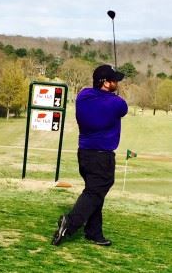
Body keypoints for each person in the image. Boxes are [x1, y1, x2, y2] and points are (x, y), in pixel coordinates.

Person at [52, 64, 128, 246]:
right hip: (102, 157)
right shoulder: (116, 103)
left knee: (95, 192)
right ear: (106, 83)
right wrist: (113, 96)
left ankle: (94, 232)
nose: (117, 82)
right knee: (95, 191)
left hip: (84, 154)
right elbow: (123, 108)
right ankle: (69, 224)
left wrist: (109, 94)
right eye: (114, 80)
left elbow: (101, 98)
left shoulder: (83, 96)